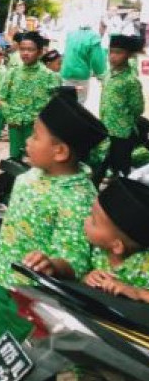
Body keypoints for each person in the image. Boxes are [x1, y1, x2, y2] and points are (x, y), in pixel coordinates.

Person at [0, 94, 107, 381]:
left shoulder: (77, 197)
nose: (27, 140)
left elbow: (75, 258)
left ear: (60, 152)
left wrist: (53, 264)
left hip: (34, 301)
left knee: (26, 369)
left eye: (36, 136)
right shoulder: (33, 174)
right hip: (6, 284)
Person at [24, 177, 149, 304]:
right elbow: (75, 273)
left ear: (116, 246)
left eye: (94, 221)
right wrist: (87, 279)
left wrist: (138, 293)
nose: (86, 220)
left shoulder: (144, 266)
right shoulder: (96, 250)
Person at [0, 31, 61, 160]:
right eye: (22, 49)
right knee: (14, 159)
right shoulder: (12, 73)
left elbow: (57, 105)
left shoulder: (50, 76)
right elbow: (0, 98)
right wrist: (10, 116)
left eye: (30, 49)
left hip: (38, 129)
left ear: (40, 51)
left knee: (35, 161)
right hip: (15, 125)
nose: (25, 53)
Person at [94, 35, 145, 185]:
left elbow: (138, 108)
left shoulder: (130, 80)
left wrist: (124, 119)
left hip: (123, 132)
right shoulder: (108, 74)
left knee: (121, 166)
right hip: (106, 127)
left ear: (128, 55)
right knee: (103, 162)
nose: (113, 56)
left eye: (119, 52)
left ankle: (122, 193)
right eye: (111, 52)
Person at [61, 20, 106, 105]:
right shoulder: (93, 37)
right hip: (81, 75)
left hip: (66, 72)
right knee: (79, 103)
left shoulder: (71, 34)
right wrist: (101, 75)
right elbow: (96, 60)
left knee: (67, 101)